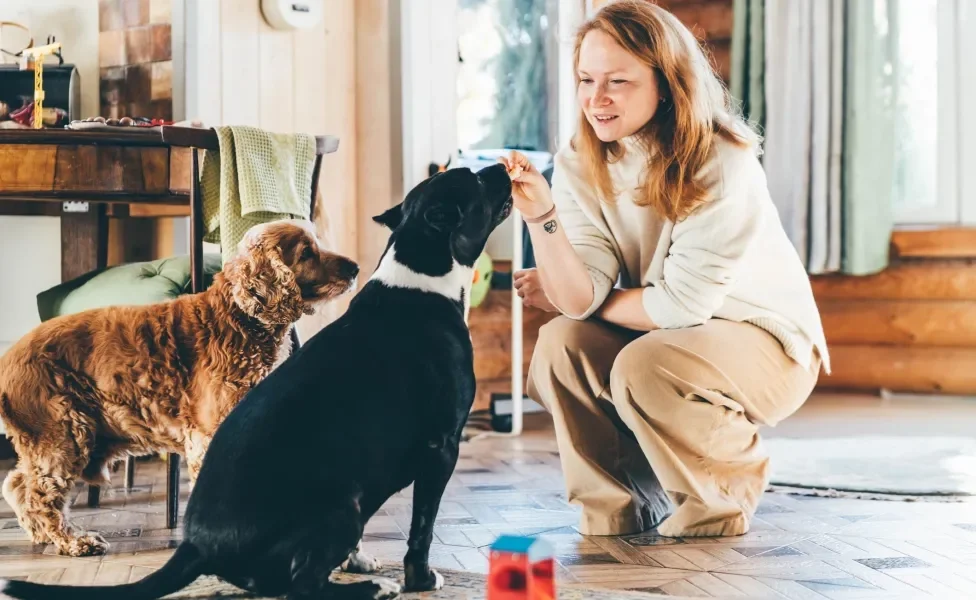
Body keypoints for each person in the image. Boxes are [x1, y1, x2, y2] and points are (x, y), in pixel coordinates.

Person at [499, 0, 829, 539]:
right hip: (670, 331)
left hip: (769, 343)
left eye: (618, 82)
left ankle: (722, 495)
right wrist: (541, 216)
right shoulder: (582, 162)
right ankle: (618, 504)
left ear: (667, 84)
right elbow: (578, 300)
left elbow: (680, 306)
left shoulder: (722, 160)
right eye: (586, 79)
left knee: (645, 364)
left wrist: (573, 295)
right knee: (561, 342)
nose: (595, 99)